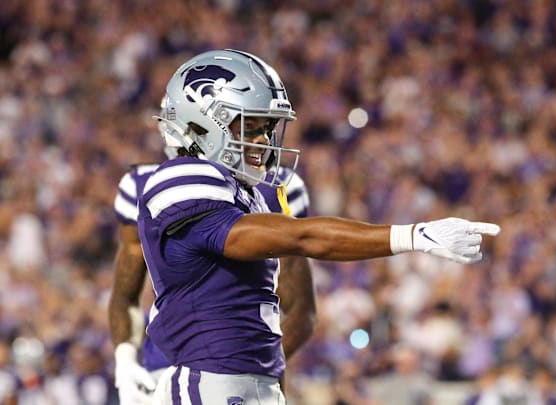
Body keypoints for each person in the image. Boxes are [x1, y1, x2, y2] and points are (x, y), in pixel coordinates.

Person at [139, 49, 500, 405]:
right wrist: (412, 236)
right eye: (248, 126)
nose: (263, 140)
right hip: (207, 385)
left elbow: (292, 299)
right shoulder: (182, 178)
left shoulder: (245, 193)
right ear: (199, 123)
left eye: (266, 128)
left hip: (248, 384)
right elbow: (304, 237)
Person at [109, 112, 316, 404]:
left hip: (241, 369)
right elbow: (126, 293)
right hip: (164, 367)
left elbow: (301, 310)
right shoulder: (148, 186)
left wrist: (251, 367)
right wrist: (126, 360)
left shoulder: (275, 186)